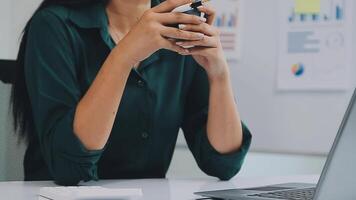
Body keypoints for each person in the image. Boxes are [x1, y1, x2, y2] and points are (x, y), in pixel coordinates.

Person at [10, 0, 252, 186]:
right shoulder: (54, 25)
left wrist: (219, 74)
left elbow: (224, 163)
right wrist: (124, 56)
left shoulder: (178, 28)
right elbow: (68, 168)